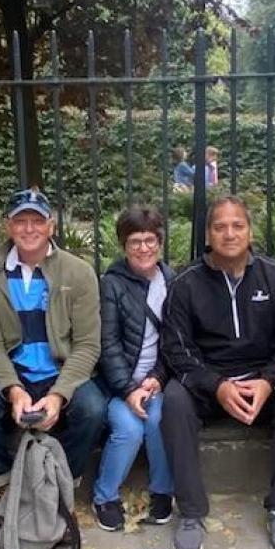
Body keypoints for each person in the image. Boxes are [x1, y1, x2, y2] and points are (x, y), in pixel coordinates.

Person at [160, 196, 275, 549]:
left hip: (262, 382)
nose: (229, 234)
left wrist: (269, 382)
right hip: (209, 382)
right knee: (174, 400)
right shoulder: (185, 283)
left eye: (237, 225)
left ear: (250, 231)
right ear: (208, 235)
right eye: (220, 227)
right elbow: (177, 350)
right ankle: (191, 511)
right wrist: (216, 386)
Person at [0, 188, 106, 491]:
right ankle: (5, 479)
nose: (29, 229)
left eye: (37, 221)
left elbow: (87, 345)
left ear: (51, 226)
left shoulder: (79, 273)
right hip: (14, 372)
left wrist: (58, 394)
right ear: (8, 226)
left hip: (61, 370)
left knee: (93, 411)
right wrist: (13, 390)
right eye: (20, 221)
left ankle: (64, 478)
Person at [93, 205, 175, 531]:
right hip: (119, 385)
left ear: (160, 242)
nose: (143, 248)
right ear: (124, 246)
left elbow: (175, 341)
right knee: (128, 429)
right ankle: (105, 496)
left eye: (149, 240)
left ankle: (162, 492)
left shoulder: (172, 280)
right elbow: (107, 344)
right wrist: (128, 389)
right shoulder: (111, 284)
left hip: (156, 382)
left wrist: (158, 378)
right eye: (134, 241)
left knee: (159, 421)